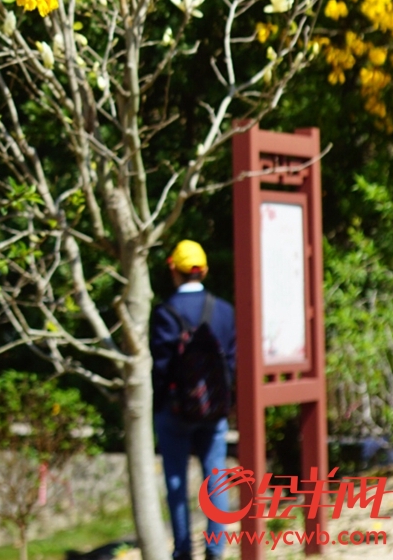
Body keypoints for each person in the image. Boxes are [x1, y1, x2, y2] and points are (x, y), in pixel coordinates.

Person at [151, 239, 237, 560]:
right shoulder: (224, 311)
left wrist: (163, 403)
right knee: (215, 476)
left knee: (176, 479)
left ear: (173, 268)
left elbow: (161, 367)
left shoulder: (165, 313)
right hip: (214, 409)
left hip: (175, 410)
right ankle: (216, 549)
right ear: (204, 270)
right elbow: (230, 363)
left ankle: (183, 549)